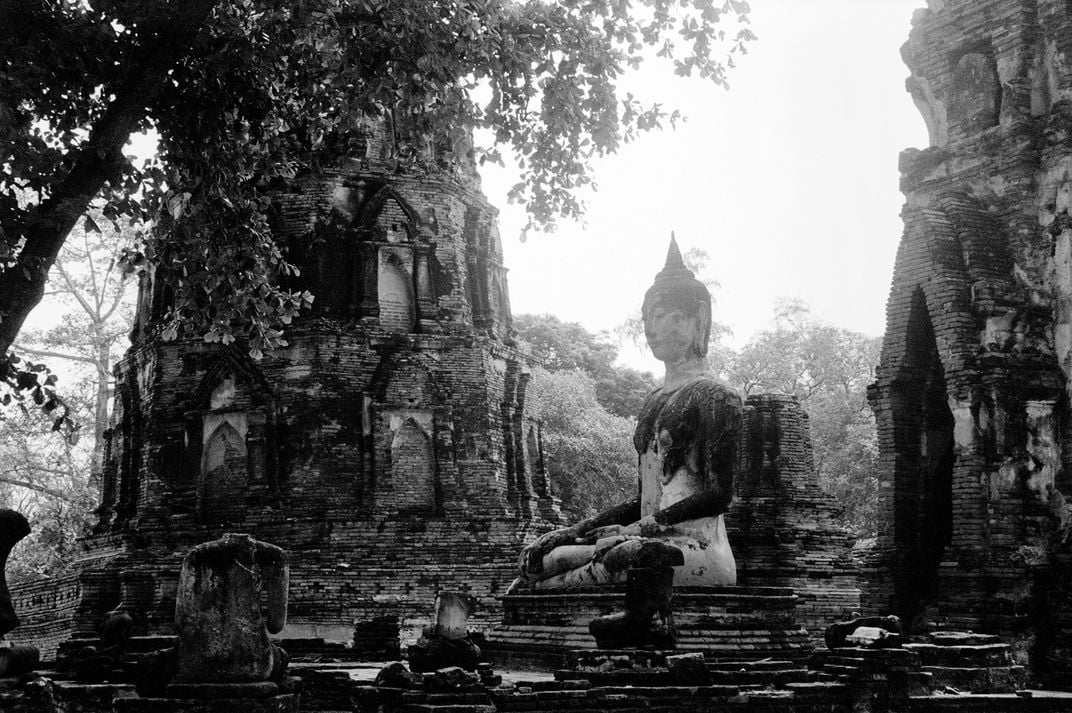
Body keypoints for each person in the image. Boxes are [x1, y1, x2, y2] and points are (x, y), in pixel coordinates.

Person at [517, 237, 742, 591]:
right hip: (645, 539)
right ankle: (548, 583)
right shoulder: (653, 401)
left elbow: (719, 495)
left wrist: (640, 529)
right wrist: (576, 529)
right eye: (646, 318)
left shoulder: (717, 396)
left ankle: (553, 587)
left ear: (696, 318)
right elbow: (644, 500)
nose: (651, 328)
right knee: (541, 560)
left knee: (623, 559)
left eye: (663, 315)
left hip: (695, 548)